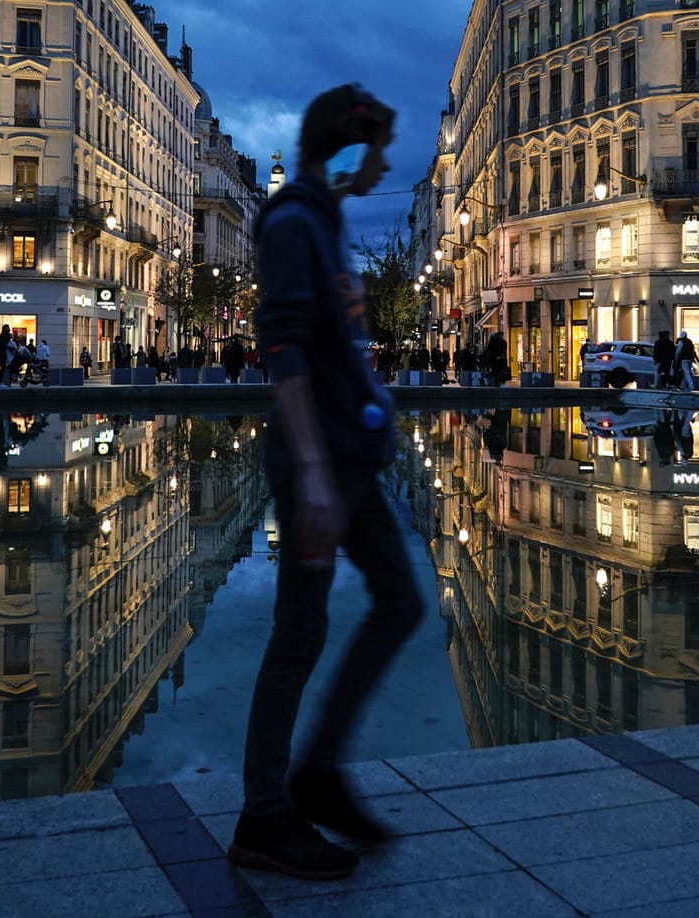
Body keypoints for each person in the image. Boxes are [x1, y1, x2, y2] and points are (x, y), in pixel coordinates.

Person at [231, 83, 419, 882]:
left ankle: (318, 773)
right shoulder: (295, 222)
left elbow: (336, 339)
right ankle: (266, 816)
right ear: (345, 151)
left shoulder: (323, 214)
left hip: (351, 461)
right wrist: (308, 470)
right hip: (320, 465)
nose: (383, 172)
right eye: (375, 156)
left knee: (400, 601)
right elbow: (284, 349)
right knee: (298, 633)